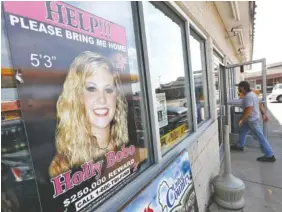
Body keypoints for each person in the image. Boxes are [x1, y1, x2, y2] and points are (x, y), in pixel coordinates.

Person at [49, 51, 129, 177]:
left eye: (108, 90)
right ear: (76, 96)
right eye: (92, 88)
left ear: (116, 97)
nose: (102, 99)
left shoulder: (126, 145)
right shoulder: (63, 166)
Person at [231, 81, 276, 162]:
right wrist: (263, 114)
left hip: (252, 120)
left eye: (239, 88)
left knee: (260, 137)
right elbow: (259, 104)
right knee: (242, 132)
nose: (238, 90)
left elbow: (249, 110)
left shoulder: (248, 96)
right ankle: (240, 145)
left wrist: (242, 119)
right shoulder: (253, 94)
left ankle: (270, 155)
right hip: (250, 119)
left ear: (242, 88)